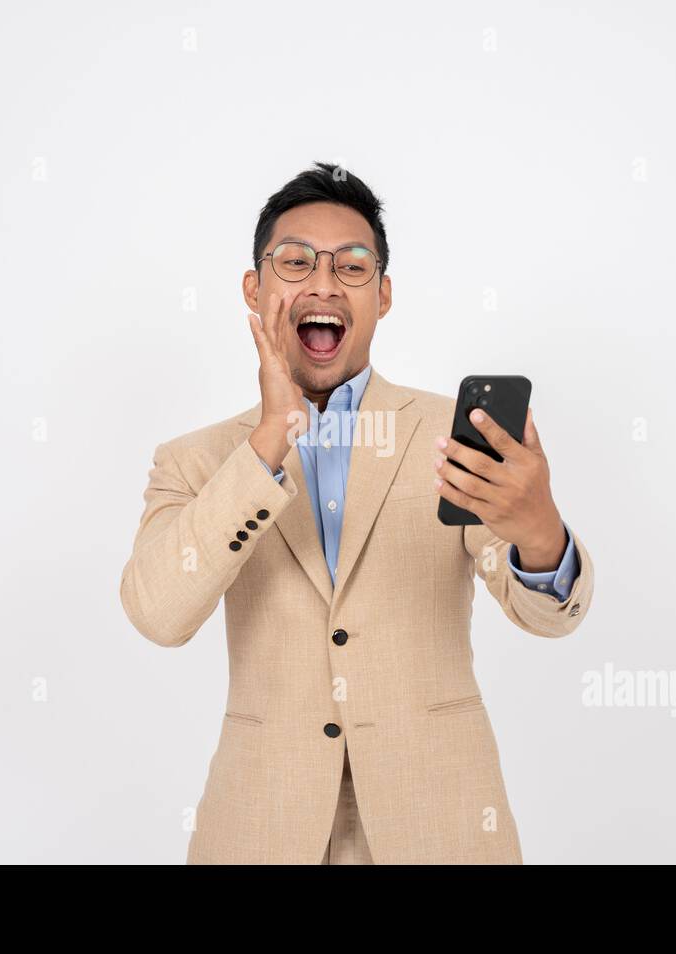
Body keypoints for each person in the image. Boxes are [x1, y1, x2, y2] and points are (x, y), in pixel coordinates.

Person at [119, 162, 593, 864]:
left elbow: (550, 616)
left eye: (351, 265)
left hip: (442, 830)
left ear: (383, 294)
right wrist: (268, 441)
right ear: (255, 289)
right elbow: (157, 613)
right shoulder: (194, 460)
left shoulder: (452, 435)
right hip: (261, 831)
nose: (322, 283)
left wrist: (540, 534)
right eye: (295, 261)